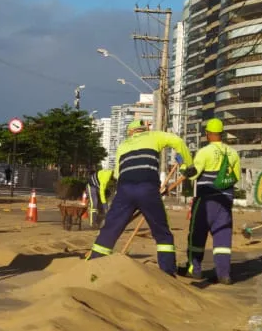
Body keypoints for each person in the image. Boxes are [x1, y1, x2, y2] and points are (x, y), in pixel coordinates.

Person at [88, 120, 193, 275]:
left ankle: (92, 265)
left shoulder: (123, 145)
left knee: (110, 229)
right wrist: (187, 166)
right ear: (144, 129)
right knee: (162, 232)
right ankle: (167, 272)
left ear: (131, 132)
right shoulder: (155, 136)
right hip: (148, 188)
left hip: (124, 190)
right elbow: (177, 141)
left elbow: (117, 175)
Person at [183, 119, 242, 284]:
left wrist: (183, 168)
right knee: (223, 238)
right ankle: (224, 274)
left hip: (206, 201)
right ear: (221, 133)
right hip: (225, 201)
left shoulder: (205, 152)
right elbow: (236, 177)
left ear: (207, 134)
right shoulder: (233, 153)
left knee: (197, 235)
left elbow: (193, 174)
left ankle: (194, 270)